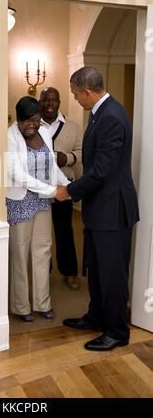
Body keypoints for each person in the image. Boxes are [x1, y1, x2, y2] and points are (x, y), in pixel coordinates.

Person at [55, 67, 139, 351]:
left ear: (87, 92)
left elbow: (102, 171)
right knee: (98, 270)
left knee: (113, 274)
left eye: (76, 94)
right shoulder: (100, 113)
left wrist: (69, 190)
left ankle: (116, 331)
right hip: (98, 208)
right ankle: (96, 317)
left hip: (113, 211)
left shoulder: (112, 117)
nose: (76, 99)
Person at [7, 96, 70, 322]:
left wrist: (68, 186)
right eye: (29, 121)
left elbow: (51, 165)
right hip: (20, 201)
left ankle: (43, 303)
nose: (33, 125)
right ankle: (22, 306)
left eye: (36, 120)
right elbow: (17, 175)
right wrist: (54, 191)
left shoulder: (43, 131)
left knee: (43, 251)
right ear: (18, 119)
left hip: (43, 201)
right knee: (20, 255)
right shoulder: (10, 136)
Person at [40, 87, 82, 290]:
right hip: (38, 189)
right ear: (40, 102)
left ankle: (70, 272)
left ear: (59, 102)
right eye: (46, 100)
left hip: (63, 187)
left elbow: (82, 152)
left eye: (53, 100)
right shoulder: (30, 124)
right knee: (41, 233)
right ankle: (43, 273)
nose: (50, 104)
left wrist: (68, 158)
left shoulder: (72, 126)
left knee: (64, 230)